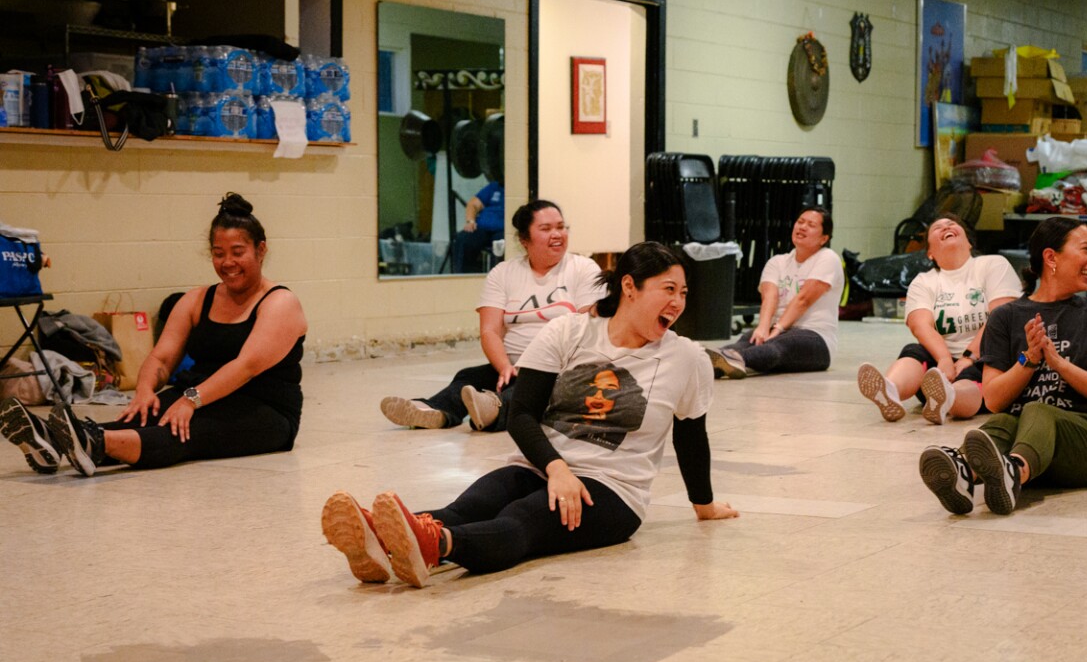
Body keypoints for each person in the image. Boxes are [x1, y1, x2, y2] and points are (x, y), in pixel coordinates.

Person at [324, 242, 739, 587]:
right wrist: (556, 468)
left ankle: (434, 547)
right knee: (470, 505)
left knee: (523, 520)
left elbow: (690, 436)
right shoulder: (570, 331)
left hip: (611, 491)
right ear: (629, 287)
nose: (678, 302)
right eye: (669, 289)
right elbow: (522, 411)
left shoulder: (687, 358)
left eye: (683, 293)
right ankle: (378, 542)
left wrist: (704, 506)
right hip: (540, 465)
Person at [2, 193, 307, 476]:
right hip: (201, 394)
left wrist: (190, 400)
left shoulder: (280, 302)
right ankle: (53, 439)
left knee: (181, 432)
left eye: (237, 252)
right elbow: (161, 358)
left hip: (264, 409)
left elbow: (246, 367)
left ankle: (91, 443)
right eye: (218, 253)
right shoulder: (198, 299)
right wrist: (145, 391)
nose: (227, 263)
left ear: (261, 249)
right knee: (141, 418)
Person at [918, 217, 1087, 517]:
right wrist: (1029, 359)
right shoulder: (1005, 317)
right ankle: (964, 474)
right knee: (1001, 422)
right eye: (1085, 249)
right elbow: (993, 399)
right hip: (1026, 441)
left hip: (1086, 447)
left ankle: (1012, 472)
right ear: (1051, 257)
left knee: (1036, 410)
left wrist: (1059, 364)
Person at [379, 199, 603, 434]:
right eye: (546, 229)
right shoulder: (503, 273)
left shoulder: (583, 269)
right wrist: (504, 366)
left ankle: (493, 409)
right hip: (516, 365)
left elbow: (588, 326)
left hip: (561, 368)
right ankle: (435, 411)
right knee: (470, 376)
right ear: (524, 240)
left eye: (561, 227)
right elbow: (490, 331)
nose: (557, 234)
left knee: (528, 388)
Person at [856, 213, 1021, 424]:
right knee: (914, 351)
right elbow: (920, 326)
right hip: (936, 373)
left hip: (986, 358)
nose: (946, 227)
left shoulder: (992, 265)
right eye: (937, 228)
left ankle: (949, 398)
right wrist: (944, 360)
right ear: (930, 253)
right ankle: (890, 391)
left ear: (969, 242)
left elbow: (1000, 316)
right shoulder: (924, 281)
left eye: (952, 224)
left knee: (974, 373)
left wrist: (969, 357)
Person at [706, 207, 843, 378]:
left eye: (811, 225)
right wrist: (763, 328)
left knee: (777, 346)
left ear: (824, 238)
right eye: (800, 222)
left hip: (816, 338)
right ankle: (706, 363)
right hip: (778, 330)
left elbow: (804, 299)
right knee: (747, 340)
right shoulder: (777, 262)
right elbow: (769, 297)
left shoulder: (828, 258)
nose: (802, 227)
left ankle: (732, 361)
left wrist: (778, 328)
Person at [455, 180, 504, 273]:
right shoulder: (493, 187)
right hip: (482, 228)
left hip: (503, 231)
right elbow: (473, 204)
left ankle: (496, 281)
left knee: (501, 245)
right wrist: (470, 221)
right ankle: (462, 278)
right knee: (463, 239)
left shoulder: (517, 190)